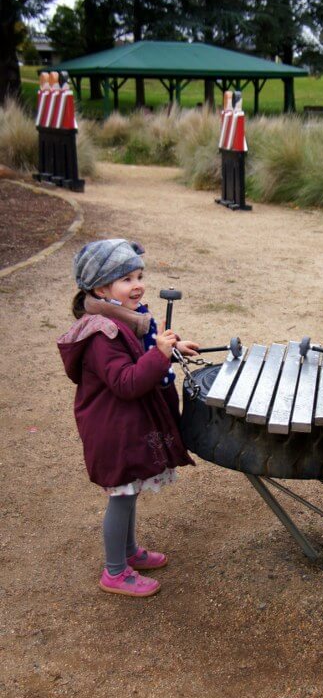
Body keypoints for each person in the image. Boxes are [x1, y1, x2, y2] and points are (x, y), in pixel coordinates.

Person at [57, 239, 199, 598]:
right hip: (113, 430)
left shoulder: (125, 319)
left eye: (139, 275)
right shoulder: (102, 332)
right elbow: (126, 381)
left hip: (127, 424)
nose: (137, 284)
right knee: (121, 495)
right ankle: (115, 571)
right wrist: (158, 357)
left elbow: (142, 351)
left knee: (130, 491)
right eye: (126, 278)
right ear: (102, 288)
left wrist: (171, 348)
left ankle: (129, 550)